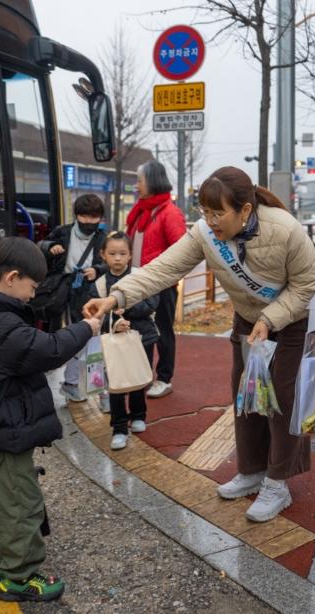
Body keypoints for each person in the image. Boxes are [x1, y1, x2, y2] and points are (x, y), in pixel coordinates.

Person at [84, 166, 315, 522]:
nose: (209, 221)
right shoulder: (205, 233)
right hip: (248, 321)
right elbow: (162, 269)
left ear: (244, 210)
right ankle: (252, 470)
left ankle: (277, 483)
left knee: (282, 401)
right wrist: (115, 297)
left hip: (289, 322)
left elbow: (306, 286)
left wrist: (270, 319)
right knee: (246, 396)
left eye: (217, 213)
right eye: (204, 212)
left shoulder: (286, 230)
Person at [0, 237, 102, 602]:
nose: (33, 294)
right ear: (12, 278)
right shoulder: (3, 325)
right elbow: (50, 350)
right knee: (19, 504)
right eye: (32, 286)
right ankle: (20, 576)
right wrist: (86, 328)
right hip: (7, 428)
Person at [88, 231, 160, 451]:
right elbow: (94, 315)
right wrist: (113, 323)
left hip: (143, 337)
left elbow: (151, 305)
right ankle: (119, 428)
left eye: (122, 253)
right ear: (103, 255)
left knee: (138, 377)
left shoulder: (141, 276)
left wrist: (123, 307)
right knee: (116, 384)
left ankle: (138, 415)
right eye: (112, 253)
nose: (118, 258)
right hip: (113, 341)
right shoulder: (100, 284)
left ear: (130, 255)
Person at [125, 160, 187, 399]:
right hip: (138, 283)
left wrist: (162, 276)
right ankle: (143, 375)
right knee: (140, 331)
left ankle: (164, 378)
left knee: (162, 332)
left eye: (139, 180)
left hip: (161, 286)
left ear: (152, 181)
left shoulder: (170, 213)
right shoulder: (142, 210)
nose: (136, 185)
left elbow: (182, 251)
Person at [37, 194, 107, 403]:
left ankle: (84, 385)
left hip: (90, 293)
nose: (89, 222)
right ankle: (75, 383)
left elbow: (110, 261)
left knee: (90, 336)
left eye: (94, 217)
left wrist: (97, 269)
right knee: (74, 336)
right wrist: (50, 247)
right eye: (84, 216)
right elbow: (41, 247)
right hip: (62, 291)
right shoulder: (63, 232)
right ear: (77, 215)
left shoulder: (102, 239)